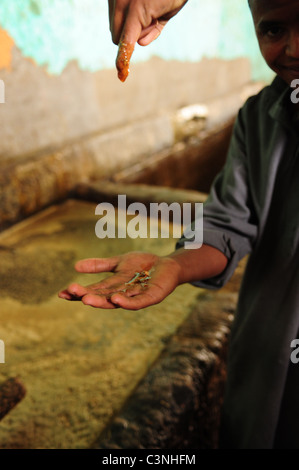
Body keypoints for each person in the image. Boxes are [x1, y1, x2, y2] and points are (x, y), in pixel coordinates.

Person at [59, 0, 299, 449]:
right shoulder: (256, 119)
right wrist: (173, 265)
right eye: (273, 30)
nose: (293, 48)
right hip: (265, 365)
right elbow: (228, 225)